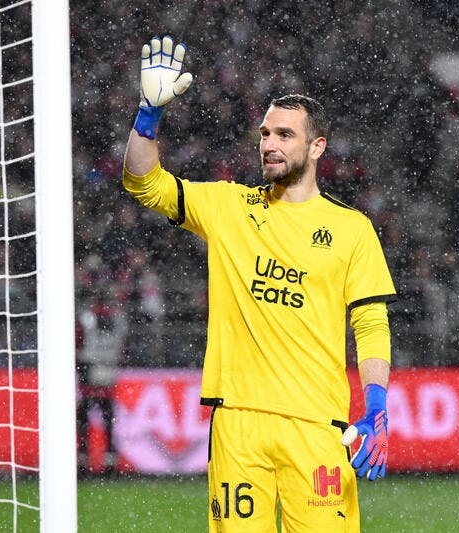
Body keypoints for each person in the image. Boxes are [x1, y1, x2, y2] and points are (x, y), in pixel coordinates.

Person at [123, 35, 396, 532]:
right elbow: (145, 182)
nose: (269, 144)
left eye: (284, 135)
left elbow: (371, 320)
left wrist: (376, 404)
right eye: (266, 133)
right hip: (239, 421)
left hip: (318, 427)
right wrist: (148, 114)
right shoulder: (230, 207)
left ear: (317, 147)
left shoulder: (352, 228)